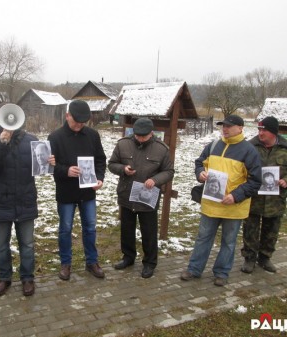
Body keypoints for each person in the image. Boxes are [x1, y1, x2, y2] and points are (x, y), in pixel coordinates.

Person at [180, 115, 261, 286]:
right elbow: (199, 162)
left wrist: (235, 196)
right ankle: (194, 269)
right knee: (203, 238)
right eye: (223, 125)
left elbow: (255, 180)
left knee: (229, 242)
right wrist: (200, 173)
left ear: (240, 128)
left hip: (234, 207)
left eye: (229, 126)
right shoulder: (214, 145)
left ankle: (222, 273)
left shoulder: (249, 150)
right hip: (210, 204)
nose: (225, 129)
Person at [0, 104, 51, 297]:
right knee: (1, 245)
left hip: (25, 199)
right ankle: (4, 278)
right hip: (0, 200)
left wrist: (48, 163)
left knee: (27, 245)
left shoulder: (31, 140)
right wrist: (1, 145)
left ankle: (27, 278)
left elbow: (39, 168)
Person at [48, 100, 107, 281]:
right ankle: (66, 263)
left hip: (87, 192)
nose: (80, 125)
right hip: (66, 192)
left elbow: (100, 159)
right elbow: (49, 167)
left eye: (83, 122)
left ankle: (92, 262)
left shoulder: (92, 135)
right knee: (65, 229)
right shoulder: (55, 137)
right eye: (76, 121)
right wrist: (66, 170)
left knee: (90, 227)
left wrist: (99, 177)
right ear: (67, 116)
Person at [108, 118, 174, 278]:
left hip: (148, 197)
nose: (140, 139)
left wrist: (155, 180)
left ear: (151, 133)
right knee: (127, 229)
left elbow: (169, 171)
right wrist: (123, 169)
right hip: (126, 194)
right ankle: (128, 257)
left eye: (143, 136)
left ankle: (150, 263)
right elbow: (111, 164)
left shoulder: (161, 149)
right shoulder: (123, 143)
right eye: (137, 136)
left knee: (149, 231)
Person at [240, 116, 287, 274]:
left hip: (276, 200)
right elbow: (239, 167)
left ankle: (265, 257)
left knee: (271, 231)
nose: (260, 133)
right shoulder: (250, 147)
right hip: (253, 197)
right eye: (259, 129)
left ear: (273, 132)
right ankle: (249, 258)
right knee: (250, 229)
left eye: (264, 130)